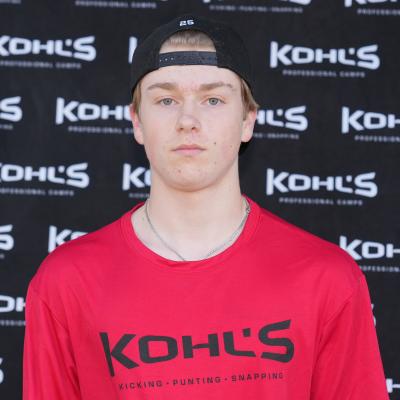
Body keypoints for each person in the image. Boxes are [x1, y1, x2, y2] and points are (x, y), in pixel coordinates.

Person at [23, 14, 389, 400]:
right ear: (137, 122)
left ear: (247, 121)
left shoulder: (327, 279)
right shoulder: (66, 283)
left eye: (213, 99)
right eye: (166, 100)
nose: (188, 120)